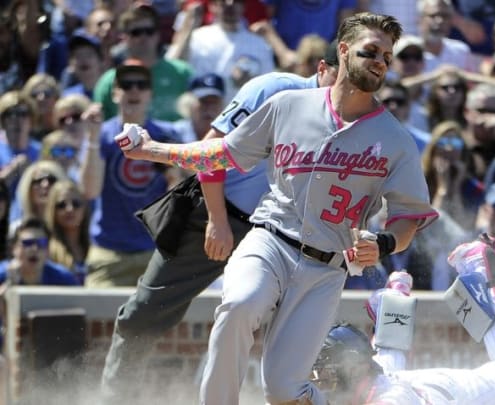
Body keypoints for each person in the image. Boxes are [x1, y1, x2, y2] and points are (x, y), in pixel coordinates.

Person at [115, 13, 438, 404]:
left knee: (284, 390)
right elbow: (221, 153)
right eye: (370, 51)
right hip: (270, 241)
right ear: (342, 51)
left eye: (387, 56)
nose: (379, 61)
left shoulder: (395, 139)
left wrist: (386, 243)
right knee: (238, 304)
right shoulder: (287, 104)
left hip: (326, 267)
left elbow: (409, 219)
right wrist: (154, 150)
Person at [100, 37, 340, 404]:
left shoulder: (350, 121)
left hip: (281, 233)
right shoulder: (274, 88)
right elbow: (211, 150)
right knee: (143, 313)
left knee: (297, 336)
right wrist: (216, 220)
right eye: (341, 76)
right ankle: (115, 399)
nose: (346, 89)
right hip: (217, 214)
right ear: (322, 69)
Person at [310, 235, 495, 404]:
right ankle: (393, 300)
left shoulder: (389, 399)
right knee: (386, 365)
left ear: (354, 369)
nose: (318, 382)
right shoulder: (370, 383)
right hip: (430, 388)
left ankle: (478, 268)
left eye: (326, 375)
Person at [81, 60, 179, 288]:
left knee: (161, 323)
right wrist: (92, 138)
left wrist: (175, 176)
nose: (134, 90)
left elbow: (176, 197)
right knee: (95, 321)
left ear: (150, 93)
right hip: (108, 253)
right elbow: (89, 191)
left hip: (154, 252)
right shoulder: (101, 135)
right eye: (126, 84)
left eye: (141, 84)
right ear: (115, 93)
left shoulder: (166, 136)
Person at [0, 217, 79, 286]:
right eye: (28, 243)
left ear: (48, 250)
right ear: (14, 248)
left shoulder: (64, 279)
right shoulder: (2, 274)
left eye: (41, 243)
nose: (34, 249)